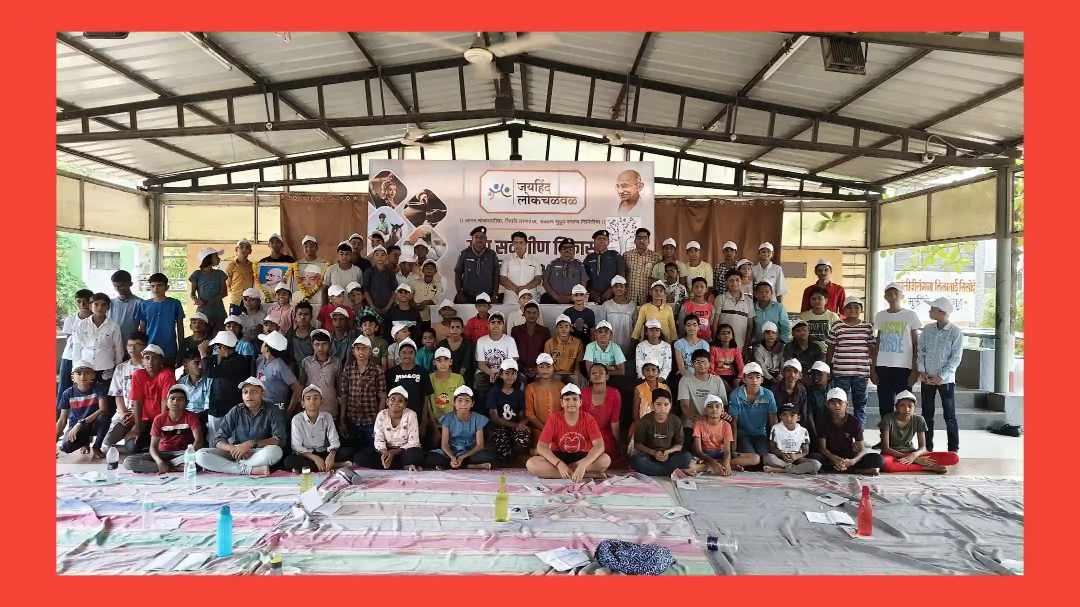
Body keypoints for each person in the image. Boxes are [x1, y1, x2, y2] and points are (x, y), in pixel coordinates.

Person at [195, 377, 286, 476]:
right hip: (236, 452)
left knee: (275, 452)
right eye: (245, 392)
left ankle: (235, 467)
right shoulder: (236, 410)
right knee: (200, 455)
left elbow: (279, 439)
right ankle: (247, 469)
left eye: (254, 392)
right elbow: (218, 439)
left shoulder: (273, 410)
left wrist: (251, 444)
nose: (248, 395)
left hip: (259, 452)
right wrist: (233, 449)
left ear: (262, 394)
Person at [526, 383, 611, 480]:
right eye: (567, 399)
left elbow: (599, 446)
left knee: (605, 460)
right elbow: (541, 447)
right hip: (559, 455)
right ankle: (584, 475)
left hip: (581, 457)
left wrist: (583, 464)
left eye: (575, 399)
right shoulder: (554, 418)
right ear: (562, 403)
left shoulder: (588, 419)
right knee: (531, 464)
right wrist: (559, 464)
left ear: (580, 402)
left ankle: (571, 472)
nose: (571, 403)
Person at [103, 344, 175, 453]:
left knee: (163, 447)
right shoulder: (138, 374)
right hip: (143, 420)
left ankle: (150, 446)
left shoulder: (167, 374)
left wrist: (160, 428)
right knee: (132, 447)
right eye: (147, 358)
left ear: (161, 361)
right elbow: (137, 401)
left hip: (161, 420)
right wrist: (137, 427)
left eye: (154, 358)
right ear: (143, 361)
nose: (150, 362)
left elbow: (165, 402)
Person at [917, 297, 964, 453]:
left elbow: (956, 358)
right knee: (926, 414)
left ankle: (953, 449)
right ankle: (926, 447)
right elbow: (921, 351)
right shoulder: (927, 329)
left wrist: (941, 376)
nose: (929, 311)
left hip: (946, 381)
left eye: (932, 309)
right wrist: (922, 371)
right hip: (927, 379)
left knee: (949, 416)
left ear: (942, 312)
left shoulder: (955, 332)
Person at [123, 384, 205, 473]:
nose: (175, 401)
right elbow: (153, 447)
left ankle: (165, 467)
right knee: (128, 462)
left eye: (180, 399)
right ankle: (171, 467)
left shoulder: (191, 417)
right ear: (167, 402)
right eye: (172, 398)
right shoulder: (159, 419)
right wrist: (159, 461)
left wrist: (188, 456)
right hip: (163, 453)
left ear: (187, 403)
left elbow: (199, 441)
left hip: (183, 453)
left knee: (200, 457)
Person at [873, 282, 922, 419]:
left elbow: (916, 344)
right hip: (883, 367)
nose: (892, 295)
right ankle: (886, 433)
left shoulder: (910, 315)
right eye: (889, 292)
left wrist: (915, 370)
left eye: (896, 292)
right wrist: (873, 369)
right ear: (885, 297)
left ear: (902, 296)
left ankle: (904, 433)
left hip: (904, 368)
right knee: (885, 406)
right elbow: (878, 343)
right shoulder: (880, 315)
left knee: (905, 406)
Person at [880, 390, 959, 473]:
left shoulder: (919, 419)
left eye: (910, 406)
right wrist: (915, 459)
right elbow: (886, 449)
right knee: (884, 464)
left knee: (954, 457)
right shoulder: (888, 418)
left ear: (914, 407)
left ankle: (908, 464)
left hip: (911, 452)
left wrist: (914, 455)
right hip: (892, 454)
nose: (906, 409)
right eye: (902, 405)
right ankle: (926, 468)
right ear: (896, 407)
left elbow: (923, 447)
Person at [826, 297, 876, 426]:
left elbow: (872, 350)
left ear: (861, 310)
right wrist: (828, 369)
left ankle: (858, 433)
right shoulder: (837, 325)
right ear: (843, 310)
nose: (852, 310)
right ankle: (840, 433)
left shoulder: (867, 327)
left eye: (856, 307)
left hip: (861, 373)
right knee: (839, 404)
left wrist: (873, 370)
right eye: (849, 307)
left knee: (860, 405)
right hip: (840, 373)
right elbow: (830, 349)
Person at [810, 387, 882, 475]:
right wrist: (834, 459)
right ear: (827, 405)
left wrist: (853, 461)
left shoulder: (854, 422)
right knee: (815, 457)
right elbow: (822, 448)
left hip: (848, 456)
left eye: (840, 402)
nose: (837, 405)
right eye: (833, 403)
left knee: (877, 459)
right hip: (830, 457)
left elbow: (862, 449)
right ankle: (857, 471)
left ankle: (839, 469)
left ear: (846, 404)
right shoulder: (823, 421)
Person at [426, 386, 498, 469]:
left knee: (488, 456)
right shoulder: (447, 418)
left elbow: (479, 445)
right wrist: (452, 457)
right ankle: (470, 466)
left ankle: (454, 465)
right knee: (431, 458)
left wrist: (462, 457)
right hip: (452, 452)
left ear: (472, 404)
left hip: (469, 453)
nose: (463, 404)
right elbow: (444, 445)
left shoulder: (478, 418)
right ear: (454, 403)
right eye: (460, 400)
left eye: (467, 401)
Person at [200, 330, 252, 446]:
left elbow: (209, 372)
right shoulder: (222, 359)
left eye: (217, 347)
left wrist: (203, 354)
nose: (216, 350)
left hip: (230, 409)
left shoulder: (238, 361)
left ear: (223, 347)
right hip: (216, 407)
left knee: (231, 442)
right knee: (214, 441)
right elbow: (205, 365)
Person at [337, 335, 387, 454]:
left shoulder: (377, 370)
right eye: (358, 348)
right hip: (352, 419)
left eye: (364, 348)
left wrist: (379, 421)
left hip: (371, 420)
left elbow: (382, 397)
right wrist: (342, 419)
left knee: (371, 453)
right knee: (351, 453)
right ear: (353, 351)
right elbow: (344, 395)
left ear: (370, 351)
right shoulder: (348, 370)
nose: (361, 351)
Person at [630, 389, 696, 476]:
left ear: (670, 405)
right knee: (637, 460)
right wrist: (654, 453)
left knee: (686, 456)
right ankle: (672, 471)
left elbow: (679, 445)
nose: (662, 408)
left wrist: (667, 452)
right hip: (650, 456)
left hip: (669, 456)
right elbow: (638, 444)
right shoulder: (645, 420)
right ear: (652, 405)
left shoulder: (675, 420)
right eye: (658, 404)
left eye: (666, 404)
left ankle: (659, 471)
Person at [358, 386, 424, 470]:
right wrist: (385, 453)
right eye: (392, 399)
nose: (396, 402)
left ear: (405, 404)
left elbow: (413, 442)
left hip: (404, 451)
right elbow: (378, 439)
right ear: (387, 402)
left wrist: (393, 453)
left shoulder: (411, 414)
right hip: (386, 449)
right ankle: (404, 465)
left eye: (400, 401)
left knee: (415, 455)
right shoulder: (382, 415)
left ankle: (394, 464)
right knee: (360, 457)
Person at [691, 395, 758, 475]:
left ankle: (710, 466)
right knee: (690, 466)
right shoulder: (699, 424)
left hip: (721, 454)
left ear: (722, 410)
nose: (714, 409)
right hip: (705, 455)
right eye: (710, 407)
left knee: (755, 458)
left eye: (717, 406)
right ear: (705, 410)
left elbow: (727, 451)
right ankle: (717, 465)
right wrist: (713, 463)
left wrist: (726, 463)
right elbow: (698, 451)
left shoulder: (726, 425)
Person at [56, 361, 110, 458]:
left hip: (93, 424)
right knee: (66, 447)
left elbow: (103, 409)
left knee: (104, 417)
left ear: (93, 375)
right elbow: (62, 419)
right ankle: (85, 442)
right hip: (77, 427)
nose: (83, 376)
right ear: (73, 377)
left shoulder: (99, 388)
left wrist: (81, 423)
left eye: (87, 373)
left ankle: (96, 447)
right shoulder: (67, 393)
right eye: (78, 373)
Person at [284, 385, 343, 473]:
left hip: (324, 453)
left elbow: (334, 440)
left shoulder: (327, 416)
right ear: (303, 404)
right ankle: (333, 466)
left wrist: (331, 455)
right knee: (289, 461)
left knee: (347, 452)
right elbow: (296, 446)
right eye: (308, 398)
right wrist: (315, 458)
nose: (312, 401)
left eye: (316, 398)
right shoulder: (297, 419)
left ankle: (318, 467)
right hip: (307, 455)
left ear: (321, 401)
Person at [727, 362, 777, 465]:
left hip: (760, 434)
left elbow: (773, 421)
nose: (754, 380)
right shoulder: (736, 395)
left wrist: (774, 445)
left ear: (762, 379)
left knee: (765, 459)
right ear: (744, 379)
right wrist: (733, 450)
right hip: (742, 434)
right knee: (752, 459)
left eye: (758, 377)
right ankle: (726, 463)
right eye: (750, 377)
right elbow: (733, 423)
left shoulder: (768, 394)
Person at [70, 292, 123, 389]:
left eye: (103, 305)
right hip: (85, 368)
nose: (99, 308)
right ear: (90, 306)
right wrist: (76, 368)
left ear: (108, 307)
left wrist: (117, 369)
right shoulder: (81, 325)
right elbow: (76, 348)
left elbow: (118, 349)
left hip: (106, 368)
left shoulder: (114, 326)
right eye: (96, 304)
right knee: (87, 395)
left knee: (105, 395)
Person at [104, 332, 148, 448]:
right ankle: (126, 432)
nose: (132, 348)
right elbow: (117, 394)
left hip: (143, 413)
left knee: (132, 447)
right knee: (108, 441)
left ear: (145, 347)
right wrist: (123, 413)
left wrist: (135, 415)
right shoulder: (121, 368)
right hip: (125, 412)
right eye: (129, 345)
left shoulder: (149, 368)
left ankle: (133, 437)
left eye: (137, 345)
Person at [677, 349, 727, 445]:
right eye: (697, 362)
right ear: (692, 364)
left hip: (713, 419)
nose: (701, 365)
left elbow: (723, 405)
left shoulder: (717, 380)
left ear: (709, 364)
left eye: (704, 362)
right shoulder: (685, 380)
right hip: (692, 420)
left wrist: (711, 420)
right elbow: (684, 405)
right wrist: (698, 419)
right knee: (687, 442)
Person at [135, 273, 186, 367]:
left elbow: (180, 328)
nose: (156, 289)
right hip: (150, 348)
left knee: (169, 373)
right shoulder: (144, 305)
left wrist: (181, 349)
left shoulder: (175, 303)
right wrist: (141, 348)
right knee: (151, 374)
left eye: (159, 285)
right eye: (153, 286)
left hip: (169, 349)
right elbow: (142, 329)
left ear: (167, 287)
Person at [485, 359, 531, 463]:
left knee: (523, 439)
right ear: (501, 375)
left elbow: (523, 415)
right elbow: (494, 417)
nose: (510, 376)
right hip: (498, 427)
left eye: (513, 373)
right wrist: (515, 425)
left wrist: (522, 424)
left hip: (515, 427)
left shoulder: (519, 393)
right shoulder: (494, 392)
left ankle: (516, 456)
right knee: (503, 452)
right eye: (507, 373)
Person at [386, 338, 433, 426]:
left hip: (416, 418)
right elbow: (388, 398)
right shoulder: (391, 373)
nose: (407, 355)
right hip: (396, 419)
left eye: (411, 352)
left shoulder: (422, 372)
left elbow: (426, 398)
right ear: (399, 354)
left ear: (415, 354)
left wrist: (424, 420)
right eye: (404, 352)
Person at [474, 312, 519, 404]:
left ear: (503, 325)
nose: (496, 325)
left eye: (499, 322)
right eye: (493, 322)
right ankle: (483, 408)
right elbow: (481, 364)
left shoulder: (510, 340)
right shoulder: (481, 341)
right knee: (479, 380)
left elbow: (512, 361)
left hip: (505, 372)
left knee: (518, 379)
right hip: (485, 372)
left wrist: (500, 374)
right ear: (488, 325)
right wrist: (491, 373)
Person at [763, 404, 821, 474]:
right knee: (768, 457)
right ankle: (797, 469)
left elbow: (805, 451)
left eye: (792, 415)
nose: (788, 418)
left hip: (797, 459)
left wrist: (796, 456)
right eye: (784, 415)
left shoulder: (803, 431)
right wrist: (782, 454)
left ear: (798, 418)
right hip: (781, 459)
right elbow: (772, 448)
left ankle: (780, 470)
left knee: (816, 464)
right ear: (780, 417)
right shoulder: (776, 428)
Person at [256, 330, 302, 414]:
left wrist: (289, 411)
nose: (261, 344)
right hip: (262, 407)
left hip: (276, 408)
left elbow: (297, 388)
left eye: (263, 343)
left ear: (267, 348)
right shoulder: (260, 361)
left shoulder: (279, 365)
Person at [771, 359, 815, 443]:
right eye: (788, 371)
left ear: (800, 375)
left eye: (795, 371)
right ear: (783, 373)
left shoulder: (802, 390)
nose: (792, 374)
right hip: (778, 426)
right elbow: (773, 414)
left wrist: (800, 433)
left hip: (795, 427)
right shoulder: (775, 389)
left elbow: (803, 413)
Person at [428, 347, 465, 446]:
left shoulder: (458, 378)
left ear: (451, 362)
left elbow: (461, 404)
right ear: (434, 362)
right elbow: (428, 405)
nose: (443, 363)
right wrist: (434, 428)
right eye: (439, 360)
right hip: (435, 423)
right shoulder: (429, 378)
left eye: (446, 360)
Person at [299, 329, 340, 418]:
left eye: (324, 344)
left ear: (329, 345)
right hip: (310, 409)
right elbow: (301, 384)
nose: (320, 348)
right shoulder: (306, 362)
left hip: (330, 408)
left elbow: (339, 386)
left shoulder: (336, 362)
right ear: (312, 345)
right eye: (317, 344)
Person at [454, 226, 501, 303]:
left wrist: (495, 294)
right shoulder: (465, 254)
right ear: (472, 239)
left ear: (486, 240)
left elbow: (496, 276)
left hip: (487, 297)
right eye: (476, 237)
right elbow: (458, 274)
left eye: (482, 237)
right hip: (468, 296)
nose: (479, 239)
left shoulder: (492, 255)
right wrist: (459, 293)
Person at [525, 353, 563, 444]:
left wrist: (556, 428)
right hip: (539, 431)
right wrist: (545, 429)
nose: (545, 370)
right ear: (536, 369)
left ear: (553, 368)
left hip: (559, 429)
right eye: (541, 367)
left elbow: (565, 410)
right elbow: (529, 414)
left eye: (548, 366)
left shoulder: (561, 386)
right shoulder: (530, 388)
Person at [189, 247, 228, 333]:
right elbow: (192, 293)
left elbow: (224, 293)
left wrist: (208, 302)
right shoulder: (197, 274)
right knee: (203, 334)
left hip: (218, 311)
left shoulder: (220, 273)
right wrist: (195, 299)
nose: (219, 259)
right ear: (208, 258)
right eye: (216, 256)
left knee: (219, 335)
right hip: (202, 312)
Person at [584, 229, 627, 303]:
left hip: (612, 297)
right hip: (593, 298)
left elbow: (621, 276)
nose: (601, 241)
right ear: (594, 241)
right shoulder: (589, 258)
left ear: (608, 242)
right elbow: (585, 279)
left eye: (604, 239)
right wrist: (592, 292)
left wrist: (611, 290)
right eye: (599, 239)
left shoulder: (615, 256)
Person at [714, 270, 755, 350]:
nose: (734, 283)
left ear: (741, 281)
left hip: (741, 347)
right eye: (731, 280)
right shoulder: (720, 298)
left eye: (737, 280)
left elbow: (750, 326)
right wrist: (716, 342)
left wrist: (746, 346)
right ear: (726, 283)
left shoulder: (749, 301)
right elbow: (715, 323)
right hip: (722, 346)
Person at [500, 231, 544, 300]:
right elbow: (503, 279)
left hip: (530, 299)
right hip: (511, 299)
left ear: (526, 244)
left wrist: (524, 288)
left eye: (521, 242)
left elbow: (538, 279)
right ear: (512, 244)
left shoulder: (534, 260)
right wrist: (516, 289)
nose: (518, 245)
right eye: (516, 243)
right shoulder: (507, 260)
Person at [541, 239, 588, 304]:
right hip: (553, 298)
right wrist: (556, 297)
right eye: (564, 248)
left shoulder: (580, 266)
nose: (567, 251)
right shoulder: (552, 264)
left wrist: (571, 297)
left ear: (574, 251)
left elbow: (583, 284)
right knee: (544, 297)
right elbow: (545, 283)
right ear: (560, 251)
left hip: (573, 299)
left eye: (570, 248)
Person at [512, 301, 550, 379]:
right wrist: (522, 369)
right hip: (520, 370)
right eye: (528, 312)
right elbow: (513, 353)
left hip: (539, 370)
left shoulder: (545, 331)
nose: (531, 315)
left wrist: (537, 368)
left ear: (538, 314)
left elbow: (546, 353)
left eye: (534, 313)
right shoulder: (516, 330)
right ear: (524, 314)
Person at [623, 227, 661, 306]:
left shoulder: (656, 257)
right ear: (635, 240)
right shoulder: (626, 255)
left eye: (644, 238)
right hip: (629, 296)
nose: (641, 241)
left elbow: (657, 278)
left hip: (647, 297)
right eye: (639, 238)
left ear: (649, 241)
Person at [602, 275, 637, 359]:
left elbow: (636, 328)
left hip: (627, 346)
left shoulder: (632, 305)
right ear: (612, 289)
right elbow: (602, 328)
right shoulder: (606, 305)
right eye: (616, 286)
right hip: (609, 346)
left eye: (621, 286)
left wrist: (633, 346)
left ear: (626, 288)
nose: (618, 288)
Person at [631, 359, 669, 433]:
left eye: (653, 370)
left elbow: (668, 409)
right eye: (647, 370)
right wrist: (639, 425)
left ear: (658, 373)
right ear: (643, 372)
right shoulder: (638, 389)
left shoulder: (665, 388)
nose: (650, 373)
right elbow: (635, 410)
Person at [544, 314, 583, 385]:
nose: (563, 329)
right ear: (556, 329)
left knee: (579, 381)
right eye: (560, 326)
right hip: (555, 373)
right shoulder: (549, 343)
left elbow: (578, 362)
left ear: (570, 328)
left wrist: (576, 375)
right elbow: (547, 363)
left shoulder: (578, 342)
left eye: (566, 326)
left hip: (571, 373)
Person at [108, 270, 143, 345]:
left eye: (121, 286)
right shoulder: (110, 303)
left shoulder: (139, 303)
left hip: (131, 346)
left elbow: (143, 328)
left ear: (130, 284)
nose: (117, 289)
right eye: (115, 286)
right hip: (111, 345)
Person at [362, 245, 398, 314]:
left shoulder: (390, 272)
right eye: (377, 255)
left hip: (388, 308)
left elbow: (394, 291)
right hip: (372, 308)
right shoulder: (368, 272)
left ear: (386, 257)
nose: (380, 257)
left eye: (382, 255)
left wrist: (387, 307)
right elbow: (366, 291)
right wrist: (373, 307)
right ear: (373, 257)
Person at [410, 259, 444, 325]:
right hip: (414, 315)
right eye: (427, 268)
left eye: (432, 268)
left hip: (430, 317)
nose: (429, 270)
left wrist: (426, 302)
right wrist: (413, 305)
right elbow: (409, 296)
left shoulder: (439, 285)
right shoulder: (415, 282)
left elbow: (438, 299)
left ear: (435, 271)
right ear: (422, 270)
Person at [753, 321, 784, 389]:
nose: (771, 335)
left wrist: (780, 375)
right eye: (767, 332)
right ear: (763, 335)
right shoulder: (759, 349)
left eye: (773, 333)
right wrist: (771, 379)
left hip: (780, 375)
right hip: (765, 376)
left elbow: (783, 364)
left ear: (776, 335)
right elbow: (762, 367)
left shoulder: (782, 347)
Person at [287, 301, 316, 367]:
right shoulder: (290, 333)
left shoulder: (315, 334)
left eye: (306, 314)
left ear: (311, 317)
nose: (302, 317)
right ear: (295, 317)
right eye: (300, 314)